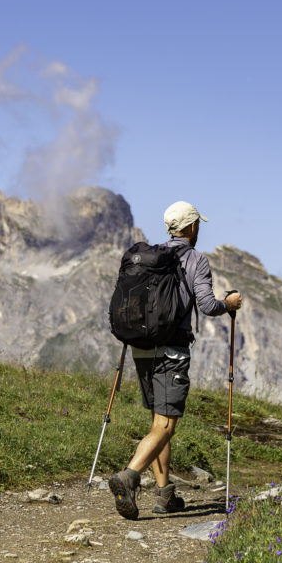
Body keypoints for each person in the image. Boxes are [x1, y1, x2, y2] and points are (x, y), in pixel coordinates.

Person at [108, 200, 242, 520]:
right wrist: (229, 303)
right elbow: (208, 306)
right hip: (172, 352)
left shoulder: (149, 258)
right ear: (191, 226)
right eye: (198, 224)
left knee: (158, 422)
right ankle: (129, 476)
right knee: (165, 425)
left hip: (142, 348)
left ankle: (165, 494)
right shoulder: (196, 259)